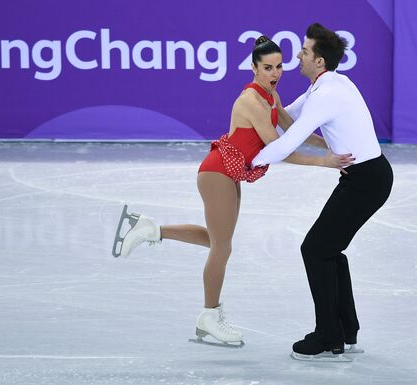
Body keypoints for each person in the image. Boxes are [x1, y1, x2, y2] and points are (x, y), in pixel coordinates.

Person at [112, 36, 354, 347]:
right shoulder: (250, 101)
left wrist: (329, 143)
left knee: (217, 242)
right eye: (268, 67)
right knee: (222, 248)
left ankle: (150, 229)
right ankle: (208, 316)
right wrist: (325, 162)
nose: (275, 73)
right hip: (217, 173)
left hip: (229, 174)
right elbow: (278, 147)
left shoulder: (271, 96)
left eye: (279, 66)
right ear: (254, 68)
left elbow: (294, 129)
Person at [251, 23, 394, 361]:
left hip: (367, 182)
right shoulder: (325, 86)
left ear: (318, 61)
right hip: (363, 177)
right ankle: (344, 329)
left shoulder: (329, 93)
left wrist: (249, 162)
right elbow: (287, 119)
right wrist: (267, 100)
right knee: (328, 250)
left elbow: (289, 140)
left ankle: (328, 334)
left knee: (315, 250)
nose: (297, 56)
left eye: (304, 51)